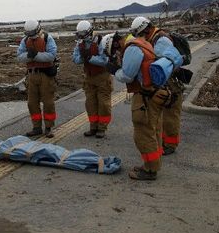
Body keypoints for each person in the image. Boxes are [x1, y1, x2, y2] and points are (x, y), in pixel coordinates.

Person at [112, 17, 172, 181]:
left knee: (143, 133)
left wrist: (114, 71)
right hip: (155, 93)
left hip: (145, 97)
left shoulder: (134, 48)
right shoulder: (147, 44)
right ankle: (152, 164)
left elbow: (127, 75)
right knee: (154, 129)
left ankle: (150, 170)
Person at [139, 17, 185, 156]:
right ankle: (164, 141)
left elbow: (157, 60)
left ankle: (170, 144)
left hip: (171, 82)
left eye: (141, 33)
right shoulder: (154, 38)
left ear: (146, 29)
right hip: (166, 81)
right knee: (164, 114)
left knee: (171, 115)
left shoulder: (161, 40)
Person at [17, 20, 58, 138]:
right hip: (31, 75)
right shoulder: (25, 40)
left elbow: (51, 55)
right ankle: (36, 127)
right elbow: (20, 56)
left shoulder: (47, 38)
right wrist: (29, 56)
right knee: (32, 103)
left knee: (48, 103)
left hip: (45, 75)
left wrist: (36, 55)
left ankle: (49, 127)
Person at [72, 21, 112, 138]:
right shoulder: (80, 43)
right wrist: (82, 57)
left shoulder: (101, 41)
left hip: (102, 76)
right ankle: (93, 127)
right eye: (80, 34)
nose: (81, 37)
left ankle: (102, 128)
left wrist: (89, 58)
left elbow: (104, 60)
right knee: (90, 103)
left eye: (82, 34)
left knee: (103, 104)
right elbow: (75, 59)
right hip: (89, 77)